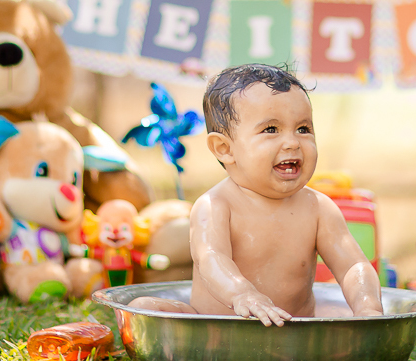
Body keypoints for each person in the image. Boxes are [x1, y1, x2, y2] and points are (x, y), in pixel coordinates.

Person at [129, 63, 383, 326]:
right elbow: (210, 259)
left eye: (303, 128)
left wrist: (367, 307)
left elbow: (354, 266)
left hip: (293, 331)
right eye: (271, 129)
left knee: (338, 315)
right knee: (142, 307)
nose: (293, 142)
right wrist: (242, 293)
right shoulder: (216, 205)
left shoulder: (319, 208)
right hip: (216, 329)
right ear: (225, 148)